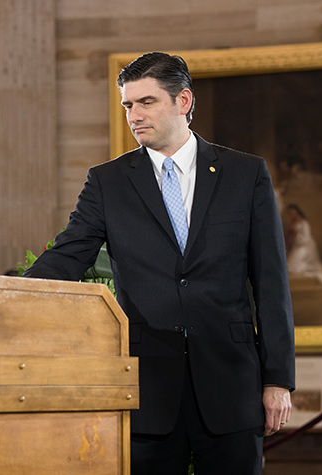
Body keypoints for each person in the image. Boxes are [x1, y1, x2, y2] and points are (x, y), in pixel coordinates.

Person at [23, 52, 295, 474]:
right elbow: (66, 256)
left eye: (146, 102)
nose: (134, 115)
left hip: (231, 385)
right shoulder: (107, 182)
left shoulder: (246, 174)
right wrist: (6, 298)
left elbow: (271, 281)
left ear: (183, 101)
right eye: (128, 105)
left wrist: (277, 380)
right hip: (147, 391)